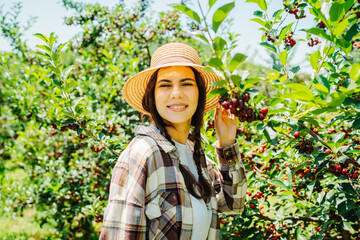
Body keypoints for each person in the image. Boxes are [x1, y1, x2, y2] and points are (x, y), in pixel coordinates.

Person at [99, 42, 247, 240]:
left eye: (186, 83)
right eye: (165, 85)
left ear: (200, 93)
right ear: (153, 95)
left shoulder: (194, 153)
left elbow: (233, 205)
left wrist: (227, 143)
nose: (176, 93)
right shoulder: (143, 154)